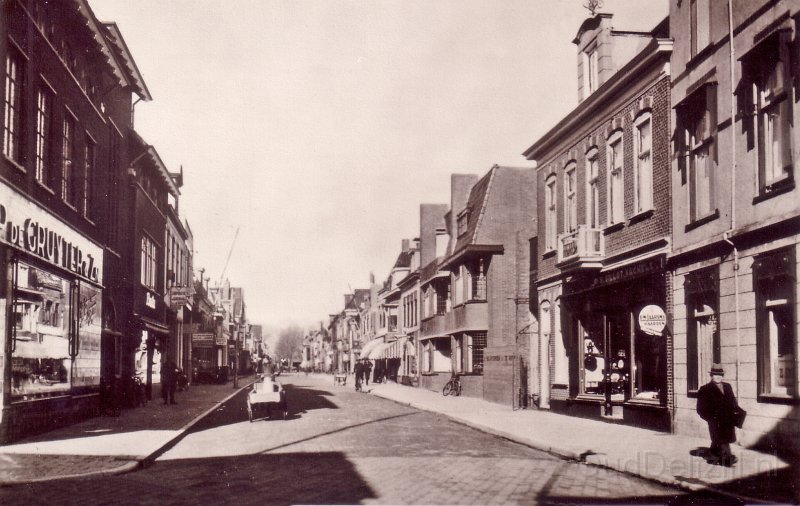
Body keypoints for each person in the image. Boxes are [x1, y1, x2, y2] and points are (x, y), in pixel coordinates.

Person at [696, 363, 741, 466]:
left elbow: (733, 401)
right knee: (720, 438)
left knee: (721, 438)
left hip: (728, 419)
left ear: (722, 376)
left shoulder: (727, 386)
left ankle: (713, 455)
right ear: (711, 376)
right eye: (715, 375)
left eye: (720, 375)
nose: (718, 377)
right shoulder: (705, 389)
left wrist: (736, 412)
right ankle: (728, 458)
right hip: (714, 419)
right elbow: (700, 408)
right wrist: (710, 418)